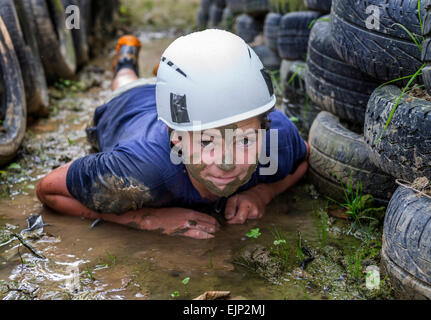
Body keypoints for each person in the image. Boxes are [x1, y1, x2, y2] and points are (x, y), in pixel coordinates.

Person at [36, 30, 310, 240]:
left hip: (185, 103)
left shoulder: (277, 139)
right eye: (206, 141)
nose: (228, 162)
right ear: (175, 137)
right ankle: (126, 60)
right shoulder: (141, 171)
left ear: (266, 128)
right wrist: (146, 218)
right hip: (130, 102)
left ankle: (163, 77)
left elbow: (303, 159)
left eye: (245, 140)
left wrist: (264, 193)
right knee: (126, 81)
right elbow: (47, 189)